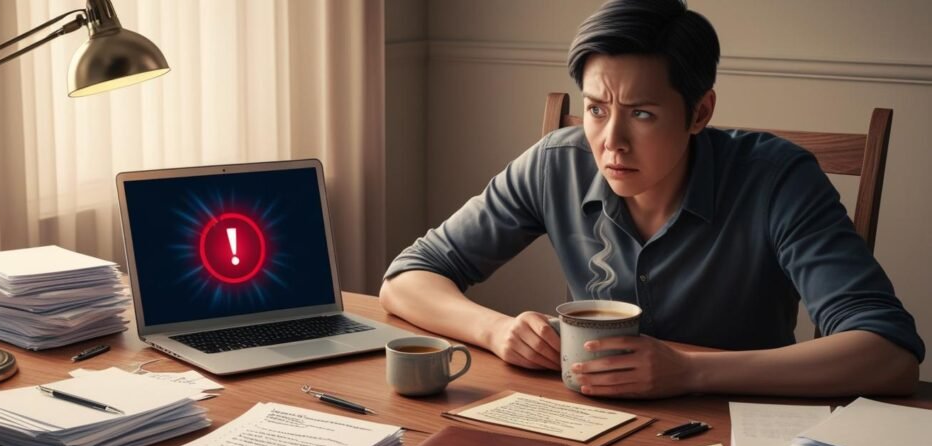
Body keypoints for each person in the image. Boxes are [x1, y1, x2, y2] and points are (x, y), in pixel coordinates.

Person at [378, 0, 923, 399]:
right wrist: (495, 330)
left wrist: (689, 370)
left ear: (700, 112)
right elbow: (407, 278)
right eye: (596, 109)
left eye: (641, 113)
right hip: (589, 423)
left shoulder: (778, 179)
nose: (611, 141)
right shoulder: (556, 163)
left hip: (738, 426)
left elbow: (889, 354)